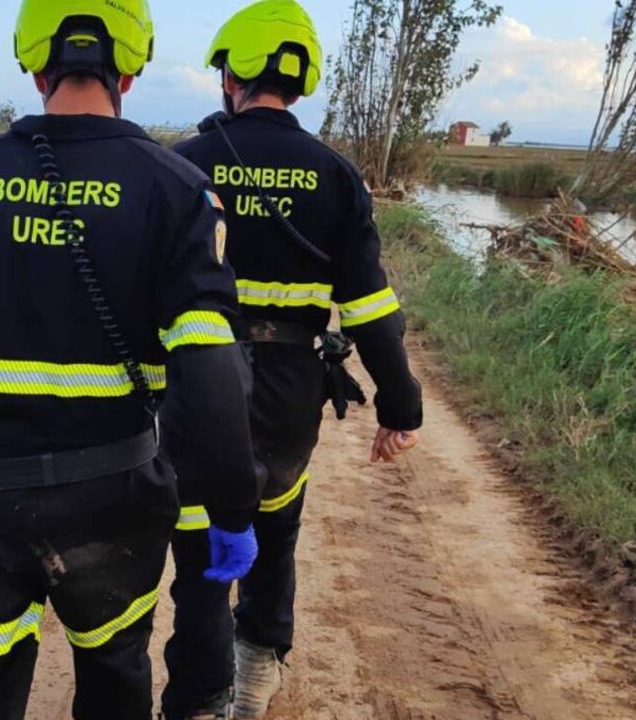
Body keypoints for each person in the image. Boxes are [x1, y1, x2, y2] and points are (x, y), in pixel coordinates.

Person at [0, 1, 262, 718]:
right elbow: (211, 375)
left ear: (33, 64)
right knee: (116, 677)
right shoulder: (178, 190)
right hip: (116, 503)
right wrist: (234, 510)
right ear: (132, 64)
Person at [162, 2, 425, 718]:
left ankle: (195, 698)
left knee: (200, 558)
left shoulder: (182, 164)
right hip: (286, 395)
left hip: (193, 392)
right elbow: (370, 308)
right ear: (302, 83)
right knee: (272, 537)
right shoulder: (336, 176)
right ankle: (254, 680)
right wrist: (400, 406)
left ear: (229, 77)